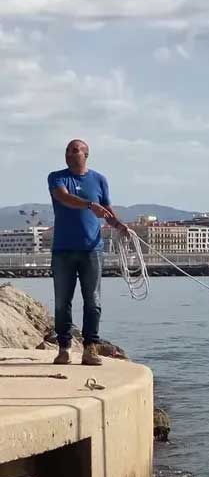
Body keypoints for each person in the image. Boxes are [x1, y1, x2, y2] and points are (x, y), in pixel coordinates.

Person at [48, 139, 128, 366]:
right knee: (62, 302)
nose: (69, 154)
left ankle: (90, 348)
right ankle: (64, 347)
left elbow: (108, 211)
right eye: (67, 151)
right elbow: (63, 197)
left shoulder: (99, 180)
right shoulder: (56, 177)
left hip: (92, 250)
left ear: (86, 154)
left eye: (74, 151)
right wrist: (90, 205)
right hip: (63, 250)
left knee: (93, 300)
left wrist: (120, 226)